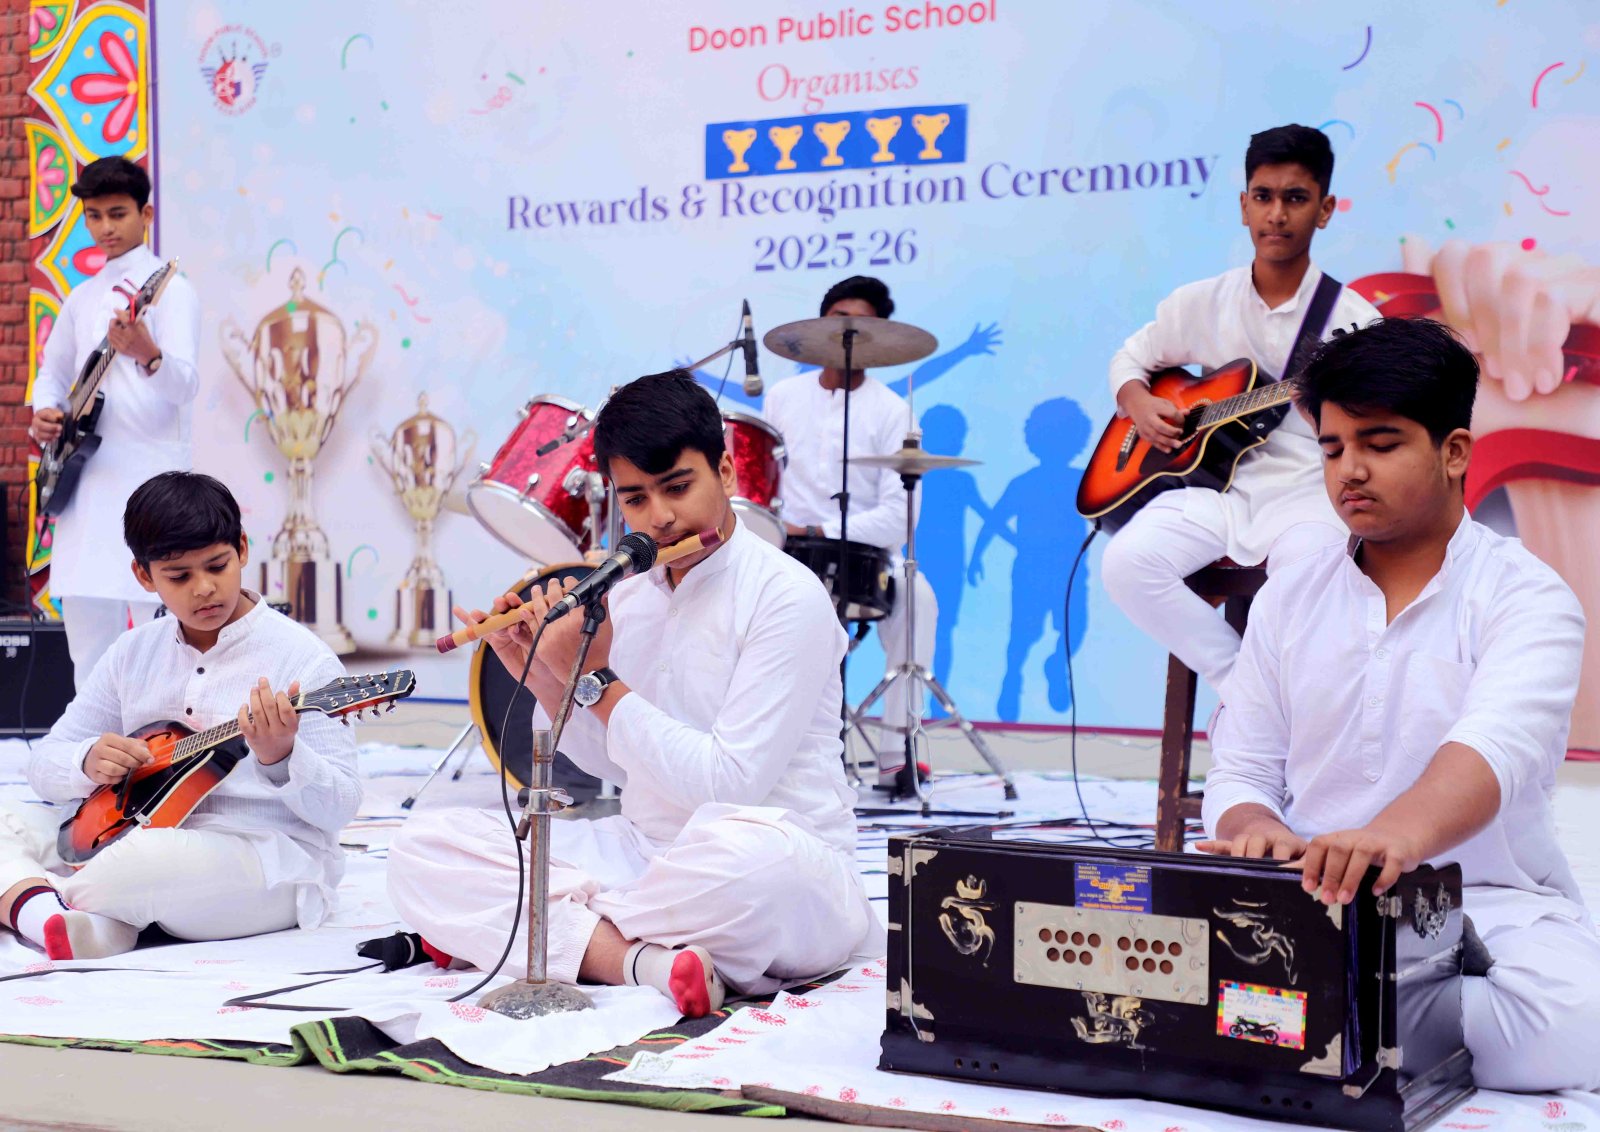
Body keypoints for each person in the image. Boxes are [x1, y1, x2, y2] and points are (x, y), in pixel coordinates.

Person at [387, 371, 878, 1017]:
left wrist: (595, 679)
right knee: (423, 846)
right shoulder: (627, 597)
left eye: (677, 487)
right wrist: (542, 672)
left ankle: (544, 926)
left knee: (760, 871)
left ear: (726, 472)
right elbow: (611, 764)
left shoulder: (788, 597)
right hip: (646, 854)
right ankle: (642, 962)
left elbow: (727, 784)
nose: (659, 518)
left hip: (768, 859)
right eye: (636, 499)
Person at [1200, 317, 1600, 1092]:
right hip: (1309, 901)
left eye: (1380, 445)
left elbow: (1492, 751)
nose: (1350, 471)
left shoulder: (1527, 597)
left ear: (1454, 452)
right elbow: (1243, 767)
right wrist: (1254, 829)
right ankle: (1346, 1019)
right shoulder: (1290, 595)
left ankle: (1301, 1024)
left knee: (1577, 1022)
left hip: (1481, 901)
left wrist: (1386, 840)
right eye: (1332, 449)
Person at [0, 472, 361, 961]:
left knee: (144, 862)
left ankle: (34, 903)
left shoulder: (305, 659)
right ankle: (85, 922)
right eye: (179, 576)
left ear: (242, 549)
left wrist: (282, 757)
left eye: (217, 566)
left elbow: (340, 808)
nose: (204, 589)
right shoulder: (132, 652)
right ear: (144, 576)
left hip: (262, 861)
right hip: (133, 839)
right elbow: (43, 765)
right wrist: (86, 760)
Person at [1101, 125, 1379, 691]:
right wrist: (1140, 403)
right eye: (1263, 196)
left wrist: (1331, 418)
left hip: (1307, 494)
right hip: (1217, 491)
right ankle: (1240, 684)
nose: (1277, 214)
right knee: (1127, 564)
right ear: (1244, 206)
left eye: (1295, 198)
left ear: (1324, 210)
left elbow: (1373, 425)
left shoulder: (1356, 321)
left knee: (1311, 571)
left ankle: (1273, 709)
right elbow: (1130, 359)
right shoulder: (1202, 302)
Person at [28, 156, 202, 688]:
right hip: (85, 485)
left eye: (118, 213)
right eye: (94, 215)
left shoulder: (173, 291)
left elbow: (185, 386)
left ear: (146, 214)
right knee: (89, 648)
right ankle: (96, 738)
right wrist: (45, 414)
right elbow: (51, 376)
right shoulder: (81, 299)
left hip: (150, 481)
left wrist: (148, 354)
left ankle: (166, 736)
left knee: (165, 638)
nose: (105, 227)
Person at [762, 276, 936, 787]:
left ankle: (897, 751)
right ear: (818, 324)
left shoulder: (894, 411)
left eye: (861, 322)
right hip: (782, 551)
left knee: (919, 599)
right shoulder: (782, 397)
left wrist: (820, 527)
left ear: (881, 334)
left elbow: (899, 517)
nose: (847, 331)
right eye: (838, 318)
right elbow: (761, 483)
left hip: (861, 555)